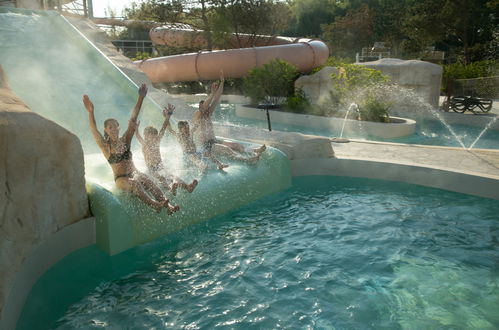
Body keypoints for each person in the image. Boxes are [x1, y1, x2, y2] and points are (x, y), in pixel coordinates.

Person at [82, 84, 179, 214]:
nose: (113, 129)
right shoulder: (106, 146)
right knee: (136, 184)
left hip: (135, 173)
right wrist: (91, 112)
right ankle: (155, 205)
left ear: (119, 127)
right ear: (106, 130)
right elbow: (94, 130)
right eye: (109, 127)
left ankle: (169, 206)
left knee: (150, 182)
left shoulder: (125, 140)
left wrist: (141, 97)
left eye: (115, 126)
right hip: (121, 179)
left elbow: (133, 118)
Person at [192, 71, 266, 162]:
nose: (207, 110)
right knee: (227, 150)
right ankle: (246, 159)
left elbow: (217, 98)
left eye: (208, 108)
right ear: (201, 108)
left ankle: (254, 150)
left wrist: (222, 82)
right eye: (205, 108)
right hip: (206, 146)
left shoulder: (208, 114)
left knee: (236, 145)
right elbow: (205, 105)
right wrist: (211, 94)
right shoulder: (198, 116)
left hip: (214, 141)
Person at [135, 103, 198, 195]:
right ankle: (170, 189)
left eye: (155, 136)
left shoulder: (157, 141)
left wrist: (168, 116)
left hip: (160, 165)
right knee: (161, 178)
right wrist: (136, 129)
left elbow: (163, 128)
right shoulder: (144, 144)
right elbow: (137, 136)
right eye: (151, 136)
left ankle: (187, 187)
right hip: (151, 169)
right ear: (146, 136)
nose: (154, 138)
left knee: (172, 176)